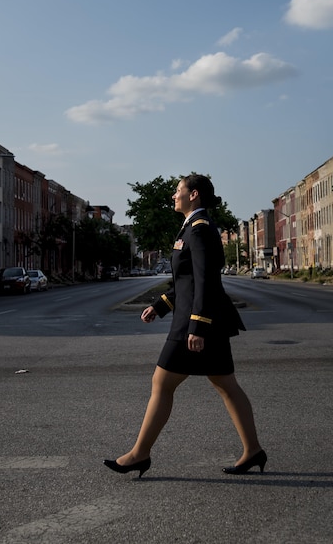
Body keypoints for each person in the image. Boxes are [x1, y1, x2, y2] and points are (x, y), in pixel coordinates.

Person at [103, 174, 266, 478]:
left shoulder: (200, 229)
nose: (173, 196)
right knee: (226, 386)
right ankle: (253, 450)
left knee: (162, 383)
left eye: (178, 191)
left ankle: (139, 454)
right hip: (197, 319)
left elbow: (206, 281)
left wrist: (198, 326)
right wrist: (160, 305)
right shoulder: (191, 227)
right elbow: (187, 281)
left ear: (194, 195)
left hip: (196, 323)